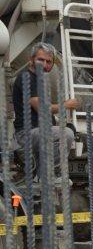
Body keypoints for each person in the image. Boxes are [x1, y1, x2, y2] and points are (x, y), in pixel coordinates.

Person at [10, 43, 77, 173]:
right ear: (31, 59)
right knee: (66, 134)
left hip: (38, 132)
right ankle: (51, 174)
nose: (44, 64)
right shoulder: (27, 78)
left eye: (48, 61)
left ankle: (42, 173)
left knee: (68, 129)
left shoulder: (38, 79)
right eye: (41, 60)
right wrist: (67, 105)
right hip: (27, 134)